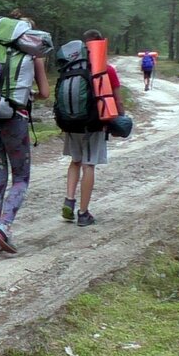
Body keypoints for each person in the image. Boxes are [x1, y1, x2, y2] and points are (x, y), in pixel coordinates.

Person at [0, 12, 50, 255]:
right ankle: (4, 227)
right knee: (20, 178)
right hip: (14, 120)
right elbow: (44, 92)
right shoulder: (32, 54)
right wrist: (27, 93)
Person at [61, 29, 124, 227]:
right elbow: (116, 99)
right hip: (94, 124)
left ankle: (69, 201)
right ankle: (83, 212)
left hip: (71, 122)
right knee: (89, 165)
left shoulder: (71, 67)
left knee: (75, 161)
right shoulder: (106, 68)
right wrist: (120, 118)